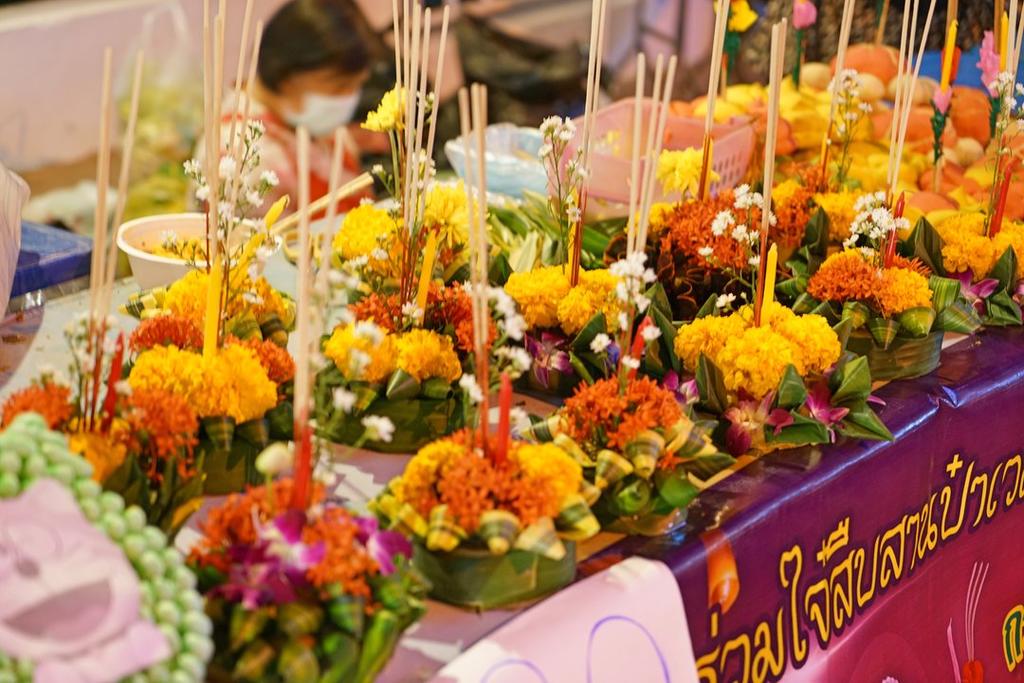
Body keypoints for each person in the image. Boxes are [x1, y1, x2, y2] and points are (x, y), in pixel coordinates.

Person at [198, 0, 379, 215]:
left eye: (358, 85)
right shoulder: (242, 154)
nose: (350, 98)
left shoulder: (312, 124)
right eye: (340, 87)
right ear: (288, 76)